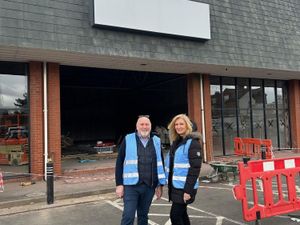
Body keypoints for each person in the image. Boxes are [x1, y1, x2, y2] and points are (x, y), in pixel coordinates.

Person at [115, 115, 166, 225]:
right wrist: (119, 184)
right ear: (137, 126)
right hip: (131, 186)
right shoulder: (128, 139)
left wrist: (159, 185)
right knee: (128, 216)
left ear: (150, 126)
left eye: (147, 124)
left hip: (149, 186)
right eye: (141, 124)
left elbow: (160, 163)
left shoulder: (156, 140)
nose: (144, 127)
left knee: (143, 215)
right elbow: (119, 162)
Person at [165, 114, 202, 225]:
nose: (178, 126)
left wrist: (188, 190)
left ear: (187, 126)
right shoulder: (176, 142)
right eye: (176, 124)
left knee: (175, 216)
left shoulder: (193, 143)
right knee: (182, 214)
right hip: (175, 185)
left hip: (185, 187)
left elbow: (195, 169)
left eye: (181, 124)